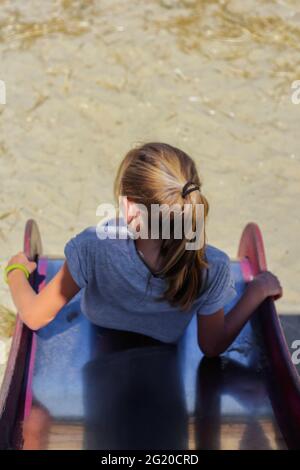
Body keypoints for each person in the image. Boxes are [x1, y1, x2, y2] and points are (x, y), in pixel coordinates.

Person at [5, 143, 282, 357]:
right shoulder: (212, 267)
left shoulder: (93, 248)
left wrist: (15, 271)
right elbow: (212, 346)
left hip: (99, 334)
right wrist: (256, 290)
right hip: (167, 356)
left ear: (128, 208)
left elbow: (34, 316)